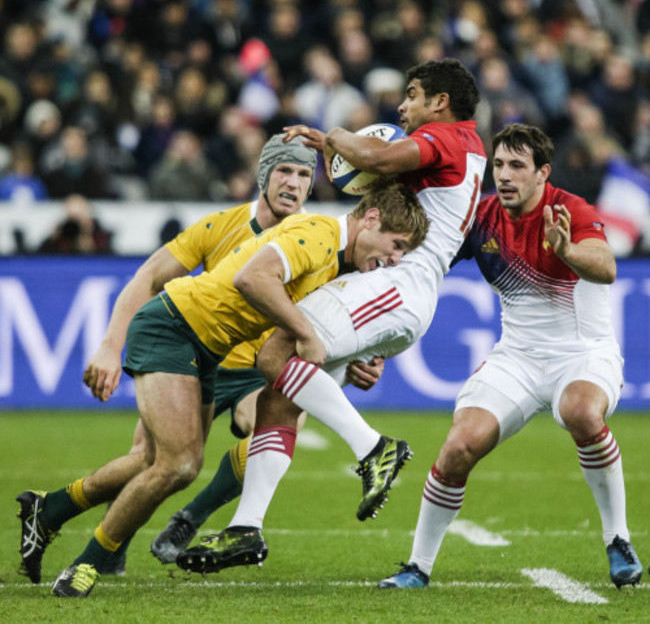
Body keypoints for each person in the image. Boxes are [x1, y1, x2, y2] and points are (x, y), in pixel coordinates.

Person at [19, 169, 428, 598]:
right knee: (177, 464)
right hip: (173, 327)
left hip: (209, 349)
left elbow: (300, 339)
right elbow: (251, 279)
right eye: (397, 245)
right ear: (371, 219)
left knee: (157, 461)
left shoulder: (341, 261)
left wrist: (355, 364)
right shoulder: (320, 233)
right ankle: (88, 563)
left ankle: (49, 510)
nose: (396, 259)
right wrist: (306, 332)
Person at [176, 58, 488, 575]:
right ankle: (245, 529)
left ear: (440, 102)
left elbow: (376, 155)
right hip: (398, 291)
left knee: (276, 351)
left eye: (411, 94)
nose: (402, 105)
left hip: (395, 282)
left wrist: (332, 136)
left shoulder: (449, 137)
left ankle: (375, 449)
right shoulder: (465, 154)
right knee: (282, 399)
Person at [377, 123, 644, 589]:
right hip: (517, 358)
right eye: (498, 164)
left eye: (517, 166)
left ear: (542, 173)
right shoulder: (481, 216)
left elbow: (606, 267)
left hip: (582, 355)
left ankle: (617, 539)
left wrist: (569, 251)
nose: (504, 175)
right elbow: (423, 254)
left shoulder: (571, 210)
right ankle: (417, 567)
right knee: (459, 446)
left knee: (580, 411)